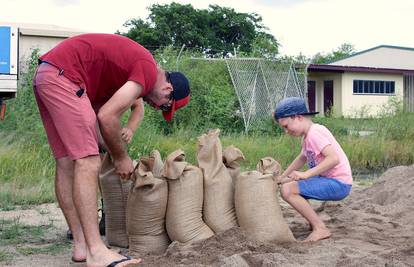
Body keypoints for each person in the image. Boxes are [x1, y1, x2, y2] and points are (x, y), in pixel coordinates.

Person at [32, 33, 190, 267]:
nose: (157, 107)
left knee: (67, 162)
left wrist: (111, 149)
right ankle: (96, 251)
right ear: (167, 88)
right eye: (165, 104)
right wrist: (121, 157)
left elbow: (97, 119)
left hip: (48, 75)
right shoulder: (147, 69)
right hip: (64, 76)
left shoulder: (116, 78)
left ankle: (81, 246)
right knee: (87, 161)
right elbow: (107, 117)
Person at [273, 97, 352, 242]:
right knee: (289, 185)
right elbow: (302, 158)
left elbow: (333, 159)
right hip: (328, 179)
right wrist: (283, 177)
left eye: (286, 126)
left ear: (298, 117)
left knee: (288, 190)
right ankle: (313, 223)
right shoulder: (307, 136)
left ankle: (320, 228)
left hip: (339, 183)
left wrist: (306, 174)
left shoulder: (315, 133)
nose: (286, 131)